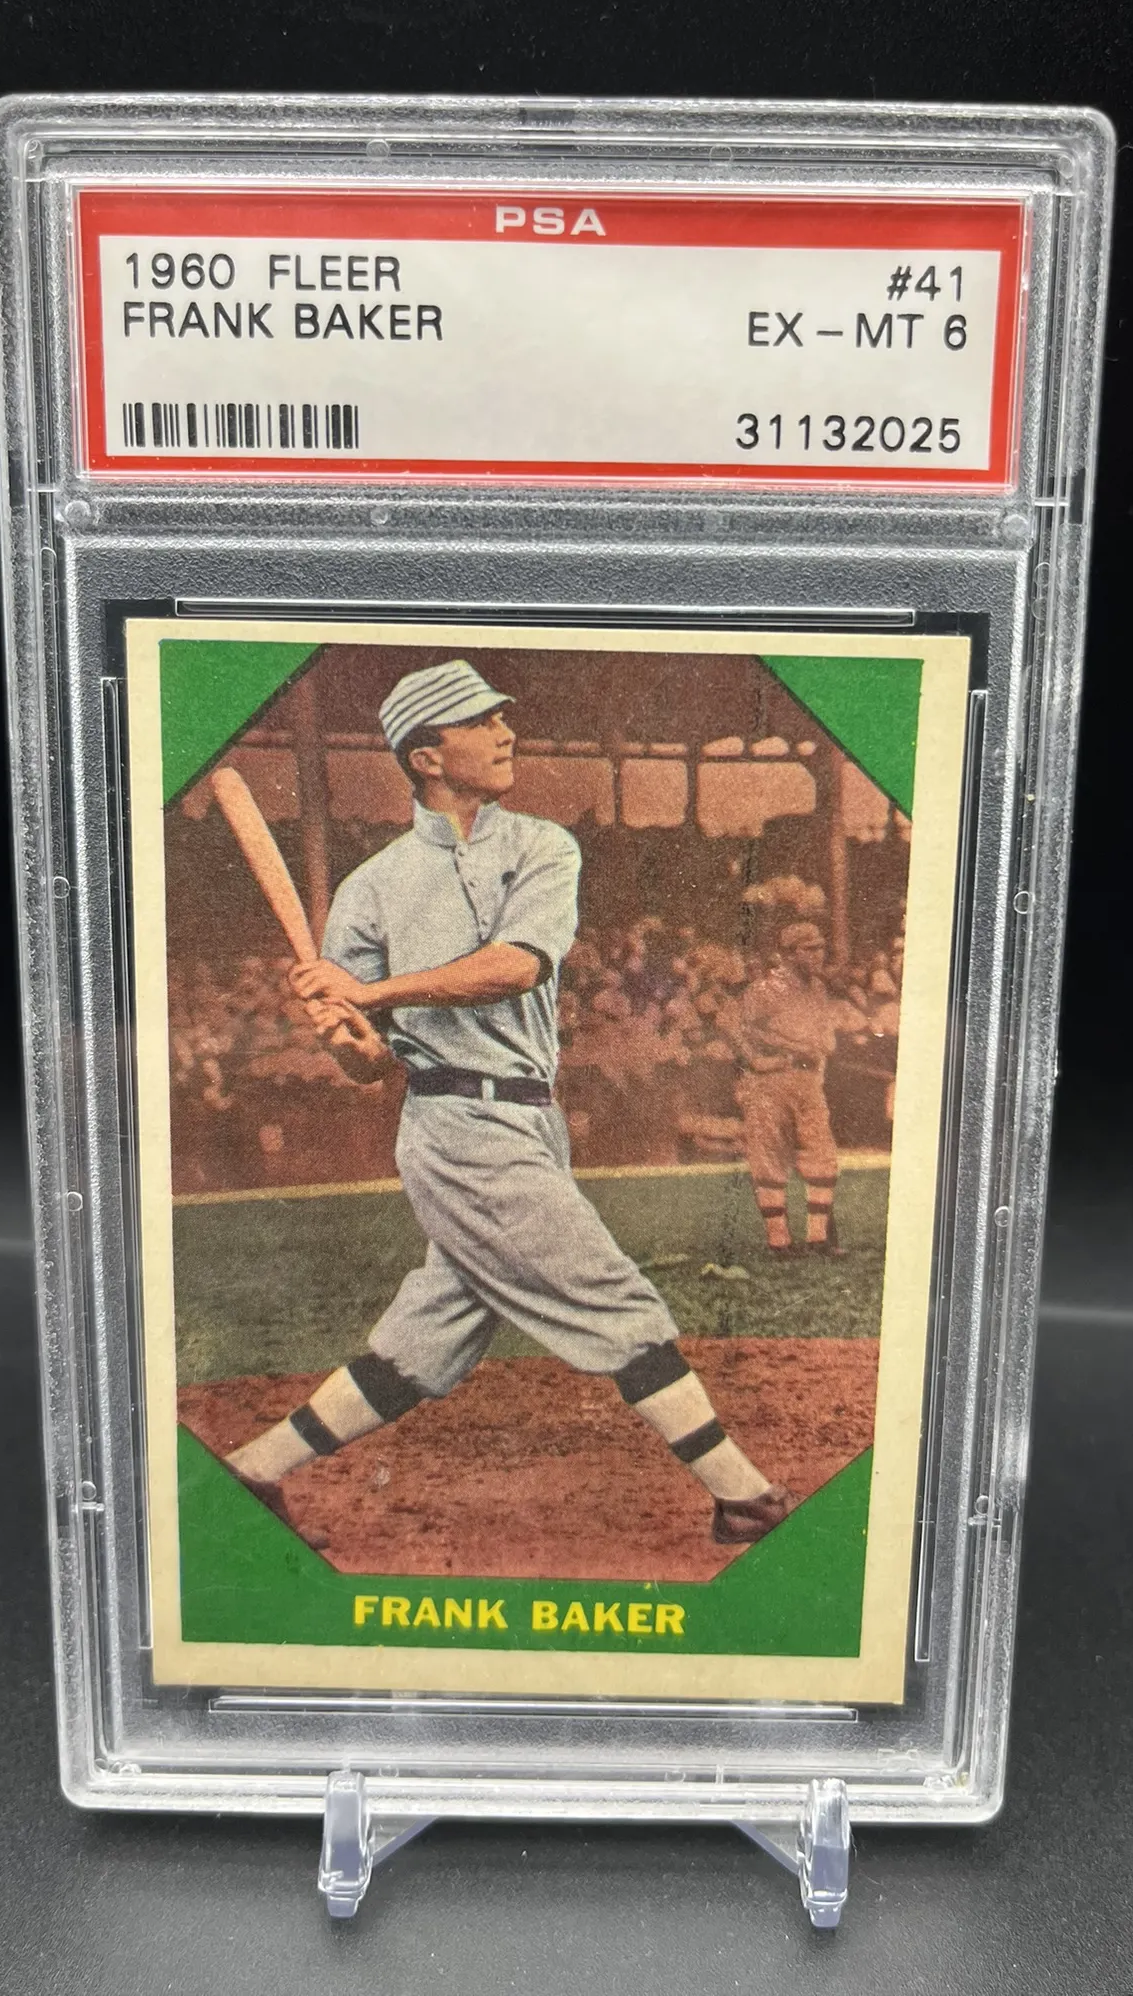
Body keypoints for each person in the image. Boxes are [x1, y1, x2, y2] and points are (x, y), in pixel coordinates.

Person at [225, 658, 793, 1546]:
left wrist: (369, 993)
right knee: (616, 1299)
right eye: (481, 722)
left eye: (501, 717)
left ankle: (251, 1472)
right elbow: (368, 1066)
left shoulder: (542, 846)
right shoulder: (369, 888)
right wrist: (342, 1030)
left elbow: (515, 966)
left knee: (429, 1337)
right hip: (454, 1124)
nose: (506, 732)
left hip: (531, 1115)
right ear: (427, 758)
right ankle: (743, 1495)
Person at [733, 920, 846, 1259]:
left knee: (822, 1157)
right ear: (789, 954)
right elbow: (739, 1033)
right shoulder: (765, 990)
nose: (818, 954)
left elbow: (823, 1038)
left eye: (820, 947)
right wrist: (761, 1060)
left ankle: (818, 1239)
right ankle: (779, 1242)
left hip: (808, 1081)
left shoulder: (817, 989)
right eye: (809, 949)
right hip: (771, 1081)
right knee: (770, 1159)